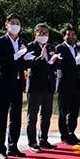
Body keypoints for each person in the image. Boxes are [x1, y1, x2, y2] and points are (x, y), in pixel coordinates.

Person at [0, 13, 29, 159]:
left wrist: (27, 59)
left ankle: (13, 146)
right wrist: (14, 57)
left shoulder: (22, 42)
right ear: (6, 25)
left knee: (16, 117)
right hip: (3, 84)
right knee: (1, 117)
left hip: (18, 83)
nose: (15, 25)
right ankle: (1, 149)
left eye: (17, 23)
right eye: (12, 22)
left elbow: (24, 63)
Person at [25, 24, 59, 152]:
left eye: (46, 33)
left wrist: (54, 61)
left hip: (49, 85)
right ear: (35, 34)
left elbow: (56, 65)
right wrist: (40, 59)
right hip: (35, 86)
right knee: (32, 115)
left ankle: (43, 139)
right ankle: (32, 142)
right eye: (40, 32)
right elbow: (29, 63)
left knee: (46, 115)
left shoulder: (51, 47)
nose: (43, 35)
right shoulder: (30, 47)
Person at [55, 27, 80, 145]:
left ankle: (71, 132)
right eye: (68, 34)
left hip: (76, 83)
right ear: (64, 36)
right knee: (64, 110)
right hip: (65, 83)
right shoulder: (59, 48)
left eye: (73, 34)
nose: (71, 36)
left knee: (74, 110)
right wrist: (74, 62)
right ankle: (64, 135)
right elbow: (60, 65)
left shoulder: (77, 48)